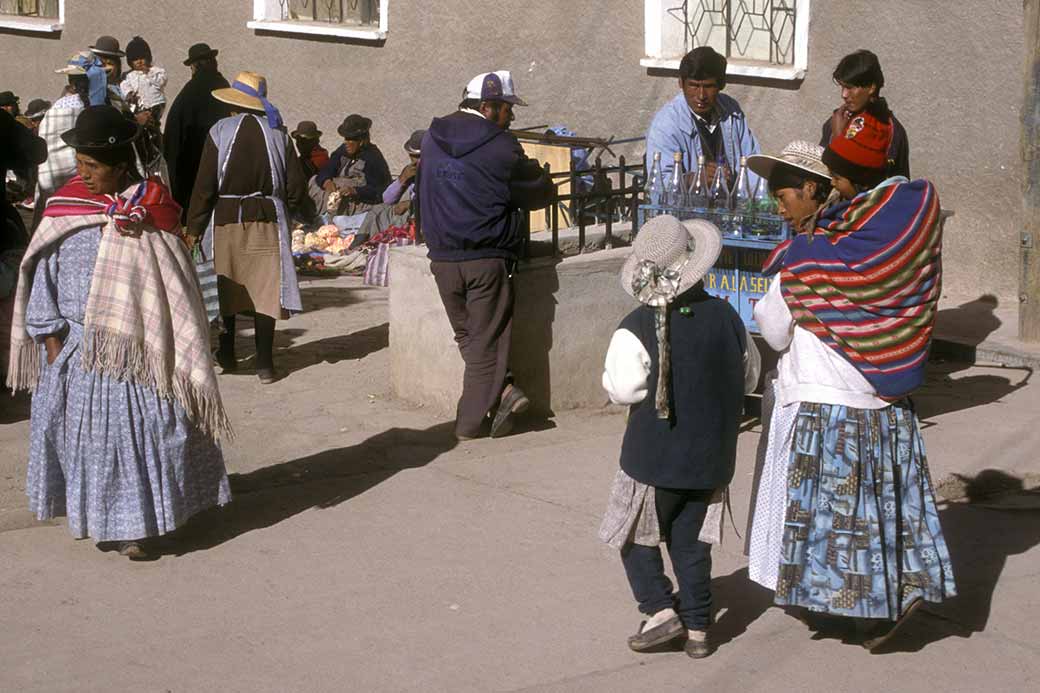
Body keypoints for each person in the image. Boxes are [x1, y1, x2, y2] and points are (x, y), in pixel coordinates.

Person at [748, 119, 955, 651]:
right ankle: (893, 595)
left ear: (819, 189)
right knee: (881, 511)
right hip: (883, 401)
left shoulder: (801, 260)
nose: (780, 207)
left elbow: (772, 329)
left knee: (839, 523)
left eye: (785, 194)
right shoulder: (884, 247)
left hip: (826, 404)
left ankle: (864, 615)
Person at [5, 105, 231, 560]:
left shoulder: (152, 206)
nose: (84, 175)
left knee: (150, 432)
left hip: (140, 348)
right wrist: (49, 336)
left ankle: (142, 528)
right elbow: (42, 270)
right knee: (92, 444)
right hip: (79, 349)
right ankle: (108, 517)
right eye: (80, 164)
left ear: (121, 165)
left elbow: (174, 281)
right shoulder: (64, 206)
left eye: (94, 166)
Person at [599, 215, 759, 659]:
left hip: (652, 459)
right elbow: (749, 375)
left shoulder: (635, 325)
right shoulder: (728, 316)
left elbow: (624, 389)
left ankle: (658, 609)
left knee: (633, 537)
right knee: (691, 544)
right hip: (711, 457)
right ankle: (699, 627)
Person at [418, 70, 554, 439]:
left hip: (442, 258)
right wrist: (542, 179)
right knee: (486, 343)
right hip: (487, 257)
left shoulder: (432, 138)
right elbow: (537, 192)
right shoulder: (502, 147)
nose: (512, 117)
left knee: (469, 337)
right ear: (488, 106)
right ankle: (469, 424)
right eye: (508, 109)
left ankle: (507, 392)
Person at [186, 71, 315, 384]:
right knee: (265, 292)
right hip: (267, 221)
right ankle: (265, 364)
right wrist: (309, 215)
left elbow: (204, 186)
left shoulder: (220, 131)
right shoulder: (279, 136)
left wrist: (194, 226)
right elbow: (295, 187)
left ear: (235, 104)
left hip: (226, 220)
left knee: (227, 287)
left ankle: (228, 354)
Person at [645, 46, 761, 191]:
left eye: (708, 86)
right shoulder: (666, 124)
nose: (701, 95)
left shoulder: (731, 112)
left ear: (721, 84)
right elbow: (659, 183)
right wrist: (695, 178)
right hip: (686, 211)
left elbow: (751, 165)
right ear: (681, 83)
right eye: (694, 86)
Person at [35, 53, 110, 223]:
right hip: (97, 182)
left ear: (72, 83)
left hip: (58, 183)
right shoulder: (109, 103)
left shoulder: (61, 106)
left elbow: (48, 142)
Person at [163, 43, 231, 222]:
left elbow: (174, 133)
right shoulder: (223, 87)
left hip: (193, 164)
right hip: (220, 161)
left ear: (195, 66)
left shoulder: (190, 91)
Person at [819, 49, 909, 179]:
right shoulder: (837, 119)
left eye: (850, 87)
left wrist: (839, 136)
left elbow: (894, 185)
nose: (843, 95)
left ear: (871, 87)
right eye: (842, 87)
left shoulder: (891, 132)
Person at [312, 114, 391, 220]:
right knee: (313, 181)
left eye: (350, 140)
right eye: (346, 139)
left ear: (362, 141)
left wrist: (355, 191)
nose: (346, 143)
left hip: (358, 201)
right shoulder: (343, 151)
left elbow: (380, 189)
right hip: (336, 193)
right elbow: (327, 169)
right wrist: (326, 181)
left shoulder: (373, 158)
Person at [356, 128, 424, 241]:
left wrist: (411, 204)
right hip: (411, 210)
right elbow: (387, 199)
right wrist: (403, 179)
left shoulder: (438, 173)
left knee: (398, 222)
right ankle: (357, 243)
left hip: (423, 216)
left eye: (419, 156)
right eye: (412, 156)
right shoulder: (411, 170)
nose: (415, 161)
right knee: (377, 211)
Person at [120, 36, 168, 126]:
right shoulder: (129, 75)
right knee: (139, 121)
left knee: (152, 121)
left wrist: (149, 74)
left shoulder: (156, 71)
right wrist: (129, 93)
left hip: (155, 103)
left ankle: (154, 130)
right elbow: (124, 85)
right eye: (135, 59)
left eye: (142, 58)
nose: (139, 61)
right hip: (139, 105)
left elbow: (161, 82)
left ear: (148, 57)